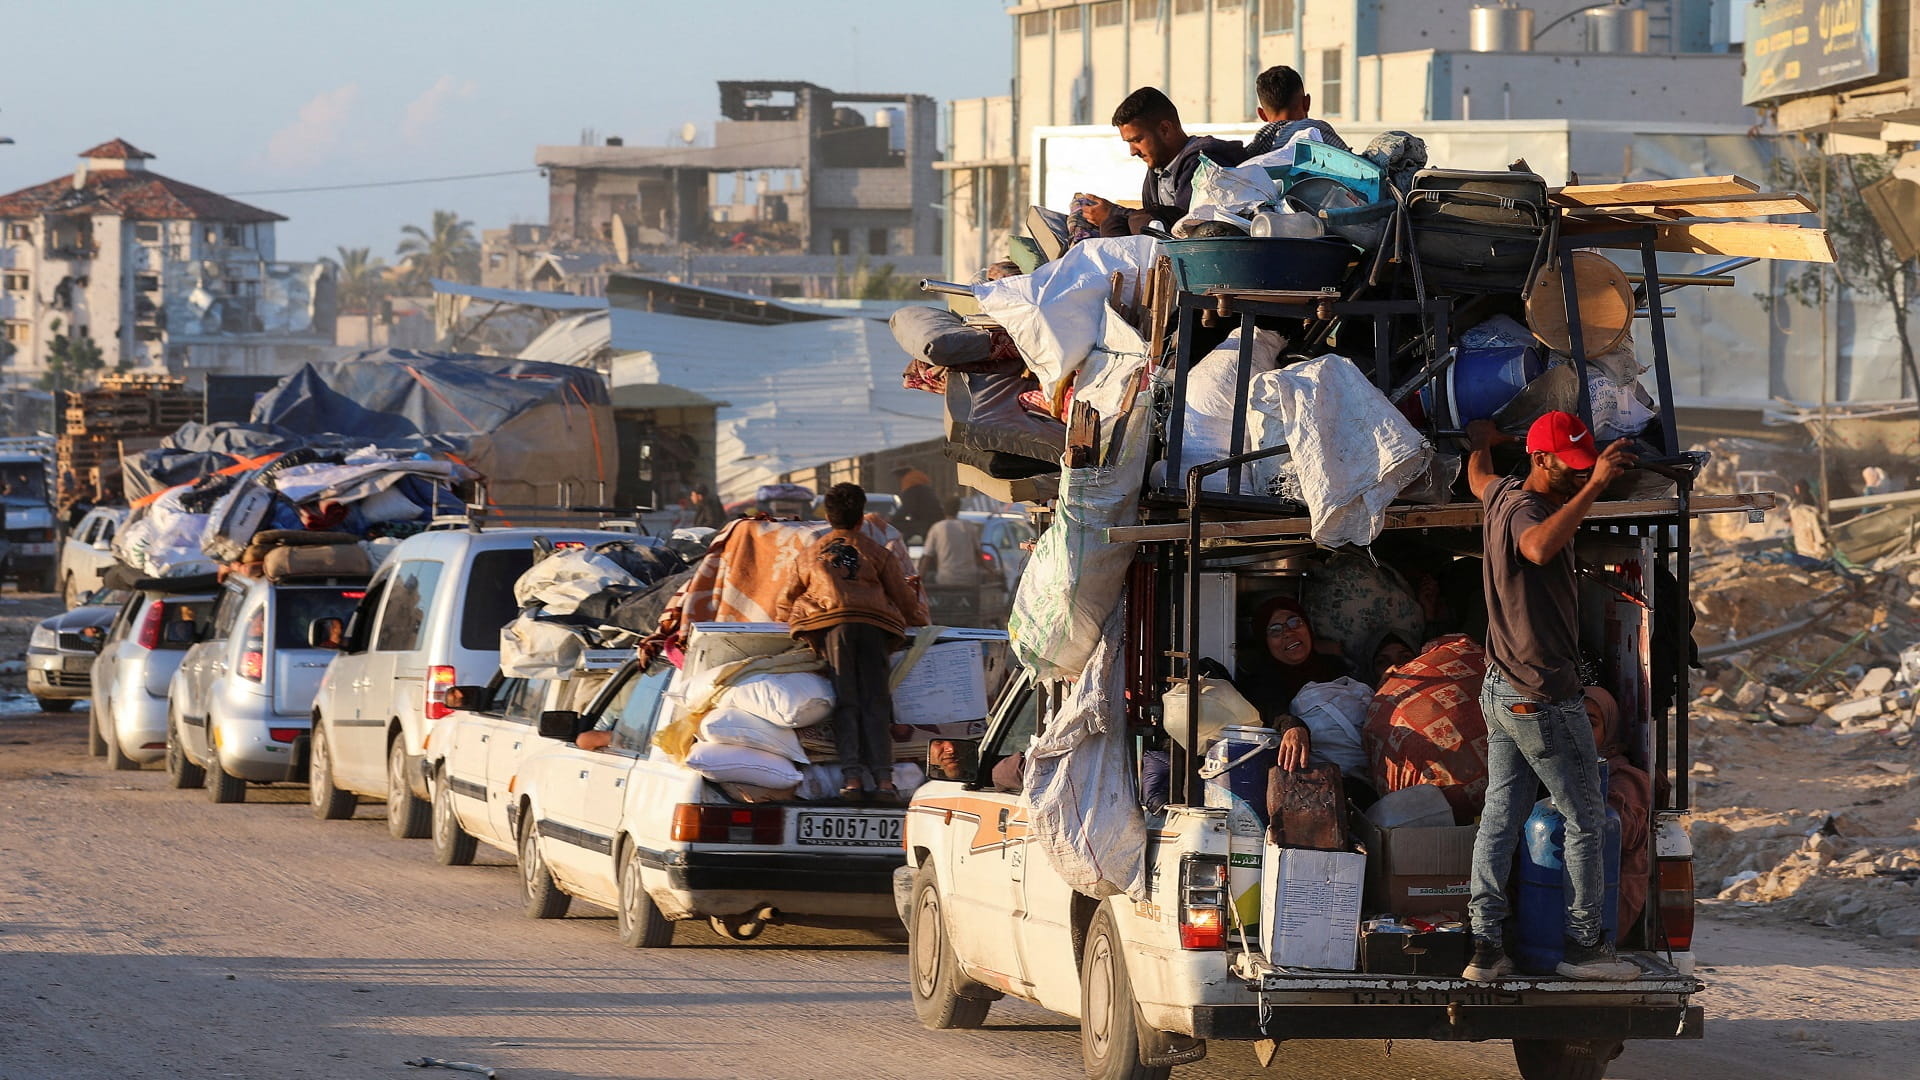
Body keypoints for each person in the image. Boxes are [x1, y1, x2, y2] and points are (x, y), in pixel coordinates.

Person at [1462, 410, 1640, 983]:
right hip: (1541, 694)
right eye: (1571, 467)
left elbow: (1477, 473)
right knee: (1587, 817)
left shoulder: (1500, 492)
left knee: (1501, 816)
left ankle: (1486, 948)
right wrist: (1595, 488)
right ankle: (1585, 948)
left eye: (1585, 467)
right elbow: (1538, 548)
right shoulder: (1526, 511)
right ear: (1541, 460)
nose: (1579, 475)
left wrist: (1481, 440)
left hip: (1500, 687)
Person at [777, 482, 928, 803]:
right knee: (876, 703)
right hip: (875, 630)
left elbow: (785, 602)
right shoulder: (878, 553)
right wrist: (923, 625)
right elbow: (904, 601)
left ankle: (852, 780)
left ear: (829, 518)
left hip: (832, 630)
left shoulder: (808, 556)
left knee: (847, 702)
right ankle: (885, 782)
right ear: (861, 518)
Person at [1088, 87, 1248, 237]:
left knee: (1130, 222)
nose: (1133, 151)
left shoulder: (1206, 164)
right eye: (1129, 143)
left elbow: (1187, 223)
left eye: (1137, 140)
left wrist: (1115, 213)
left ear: (1165, 129)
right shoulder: (1156, 173)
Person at [1585, 686, 1652, 935]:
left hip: (1611, 905)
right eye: (1572, 722)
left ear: (1609, 729)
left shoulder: (1626, 779)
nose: (1579, 732)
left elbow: (1617, 835)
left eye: (1590, 724)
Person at [1244, 65, 1349, 156]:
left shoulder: (1257, 147)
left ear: (1262, 115)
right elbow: (1354, 165)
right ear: (1307, 102)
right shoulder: (1316, 131)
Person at [917, 497, 983, 588]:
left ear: (943, 509)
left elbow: (927, 557)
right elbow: (979, 554)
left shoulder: (937, 528)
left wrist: (919, 580)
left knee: (930, 577)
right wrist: (992, 571)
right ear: (958, 509)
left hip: (945, 579)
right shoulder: (969, 526)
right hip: (969, 579)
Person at [890, 466, 942, 544]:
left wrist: (892, 519)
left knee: (894, 525)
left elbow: (907, 508)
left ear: (901, 476)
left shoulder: (911, 486)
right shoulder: (924, 486)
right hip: (935, 520)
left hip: (925, 523)